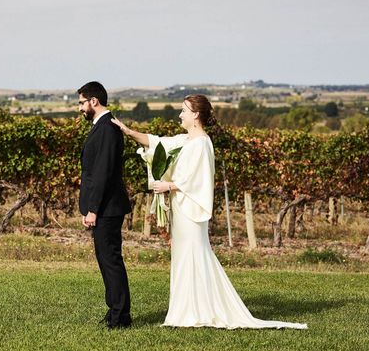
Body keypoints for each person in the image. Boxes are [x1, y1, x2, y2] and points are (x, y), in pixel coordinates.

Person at [112, 95, 307, 329]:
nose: (180, 115)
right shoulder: (185, 140)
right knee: (184, 256)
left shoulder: (202, 143)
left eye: (184, 111)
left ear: (195, 114)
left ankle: (195, 311)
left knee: (194, 254)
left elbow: (198, 179)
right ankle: (187, 310)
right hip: (180, 208)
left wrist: (168, 186)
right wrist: (127, 131)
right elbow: (157, 142)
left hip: (190, 210)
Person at [78, 81, 133, 329]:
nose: (79, 108)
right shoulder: (100, 127)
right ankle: (114, 310)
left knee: (110, 259)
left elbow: (102, 173)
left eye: (81, 102)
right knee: (105, 259)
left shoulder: (108, 129)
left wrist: (93, 209)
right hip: (104, 207)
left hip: (108, 208)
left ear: (94, 101)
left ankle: (121, 315)